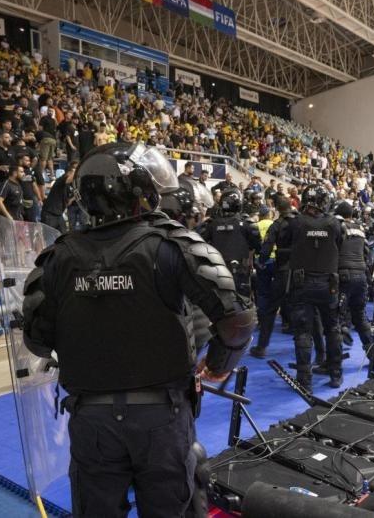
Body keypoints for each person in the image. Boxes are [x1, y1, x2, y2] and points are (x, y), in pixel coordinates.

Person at [22, 142, 255, 517]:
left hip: (91, 420)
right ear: (138, 189)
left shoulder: (57, 258)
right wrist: (218, 363)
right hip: (161, 418)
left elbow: (36, 340)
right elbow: (237, 321)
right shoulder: (173, 243)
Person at [285, 185, 343, 391]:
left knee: (303, 333)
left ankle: (304, 380)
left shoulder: (296, 223)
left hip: (303, 284)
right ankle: (336, 373)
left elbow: (284, 244)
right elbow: (340, 244)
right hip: (329, 284)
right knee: (332, 329)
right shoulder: (334, 223)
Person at [251, 197, 295, 358]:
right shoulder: (300, 223)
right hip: (300, 270)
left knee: (270, 309)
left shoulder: (277, 225)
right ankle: (320, 353)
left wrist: (261, 261)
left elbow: (267, 246)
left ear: (276, 209)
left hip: (283, 270)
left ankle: (261, 347)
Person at [199, 188, 261, 298]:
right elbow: (257, 246)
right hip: (240, 270)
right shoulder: (247, 224)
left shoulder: (211, 224)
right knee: (242, 301)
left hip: (217, 270)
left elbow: (200, 243)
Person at [334, 201, 374, 362]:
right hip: (361, 274)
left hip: (343, 275)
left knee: (335, 319)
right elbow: (367, 253)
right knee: (360, 316)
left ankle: (333, 363)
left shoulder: (337, 226)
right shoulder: (360, 228)